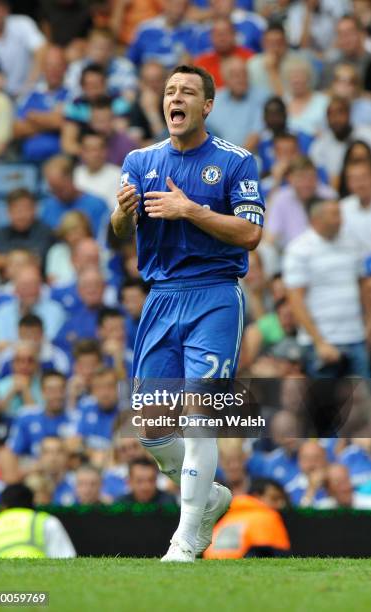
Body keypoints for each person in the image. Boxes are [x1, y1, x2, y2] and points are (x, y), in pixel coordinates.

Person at [111, 64, 264, 562]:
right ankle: (209, 499)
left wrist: (190, 209)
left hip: (215, 294)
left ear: (207, 106)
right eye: (170, 90)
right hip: (160, 296)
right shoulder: (139, 160)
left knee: (200, 418)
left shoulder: (236, 161)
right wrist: (121, 213)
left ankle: (186, 541)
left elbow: (250, 234)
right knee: (152, 430)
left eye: (187, 91)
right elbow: (117, 230)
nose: (175, 97)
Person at [283, 198, 370, 378]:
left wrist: (368, 323)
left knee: (365, 402)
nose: (340, 220)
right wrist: (319, 342)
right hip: (320, 342)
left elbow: (364, 286)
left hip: (356, 336)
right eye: (334, 215)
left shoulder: (353, 243)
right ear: (316, 219)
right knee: (325, 404)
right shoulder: (299, 249)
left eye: (339, 214)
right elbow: (295, 299)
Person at [204, 477, 290, 559]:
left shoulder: (228, 518)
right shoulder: (267, 517)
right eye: (274, 498)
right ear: (257, 496)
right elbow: (278, 553)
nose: (281, 504)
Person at [0, 483, 76, 557]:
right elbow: (67, 556)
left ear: (3, 506)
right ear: (32, 503)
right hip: (40, 576)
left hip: (1, 577)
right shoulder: (45, 521)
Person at [13, 45, 69, 163]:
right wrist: (50, 122)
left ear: (65, 68)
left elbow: (63, 123)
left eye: (58, 65)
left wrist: (33, 117)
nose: (53, 70)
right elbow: (16, 129)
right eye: (49, 65)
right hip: (28, 161)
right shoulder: (30, 94)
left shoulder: (73, 94)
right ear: (43, 68)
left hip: (59, 162)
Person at [41, 154, 110, 240]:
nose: (57, 194)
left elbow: (103, 241)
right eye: (53, 190)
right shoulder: (48, 207)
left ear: (71, 178)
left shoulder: (97, 205)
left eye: (60, 189)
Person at [0, 189, 54, 274]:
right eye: (17, 209)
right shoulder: (1, 233)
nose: (21, 215)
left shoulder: (44, 232)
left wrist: (3, 261)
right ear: (9, 212)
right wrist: (11, 261)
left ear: (34, 209)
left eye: (25, 209)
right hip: (5, 283)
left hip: (35, 282)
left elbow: (35, 262)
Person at [0, 0, 46, 96]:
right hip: (3, 96)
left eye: (1, 8)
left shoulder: (22, 23)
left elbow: (42, 50)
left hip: (34, 89)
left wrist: (29, 84)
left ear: (7, 9)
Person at [310, 96, 371, 187]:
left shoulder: (367, 134)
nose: (335, 119)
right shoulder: (319, 145)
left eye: (340, 113)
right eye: (331, 114)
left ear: (349, 114)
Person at [205, 55, 266, 146]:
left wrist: (239, 158)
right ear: (224, 78)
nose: (240, 79)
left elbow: (256, 134)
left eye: (243, 74)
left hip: (252, 156)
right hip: (218, 155)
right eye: (235, 75)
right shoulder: (214, 100)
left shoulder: (262, 98)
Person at [127, 0, 200, 69]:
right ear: (166, 4)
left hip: (178, 79)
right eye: (177, 5)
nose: (179, 11)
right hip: (149, 78)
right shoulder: (146, 29)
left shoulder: (193, 32)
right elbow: (132, 61)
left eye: (184, 6)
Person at [194, 17, 254, 88]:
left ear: (234, 35)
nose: (222, 37)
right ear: (211, 37)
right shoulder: (201, 64)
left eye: (225, 33)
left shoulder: (249, 58)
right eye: (218, 34)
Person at [73, 130, 122, 211]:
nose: (95, 154)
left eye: (100, 148)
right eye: (90, 149)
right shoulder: (76, 173)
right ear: (81, 151)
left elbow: (116, 211)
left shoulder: (119, 175)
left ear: (106, 150)